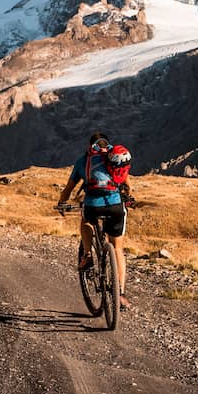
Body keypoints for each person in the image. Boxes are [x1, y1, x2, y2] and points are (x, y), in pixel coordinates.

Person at [57, 132, 130, 309]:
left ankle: (88, 255)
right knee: (118, 248)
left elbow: (69, 188)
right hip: (115, 206)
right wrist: (129, 197)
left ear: (90, 146)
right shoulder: (112, 159)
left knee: (86, 221)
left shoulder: (83, 161)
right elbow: (126, 183)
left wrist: (62, 203)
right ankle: (119, 294)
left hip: (92, 206)